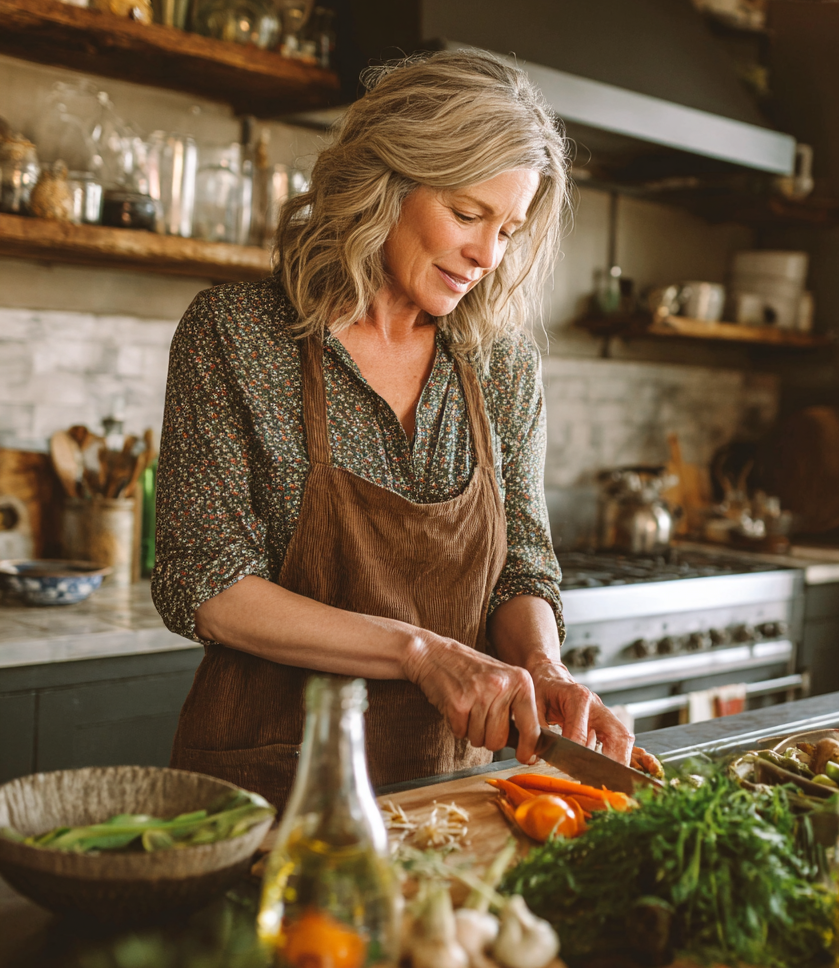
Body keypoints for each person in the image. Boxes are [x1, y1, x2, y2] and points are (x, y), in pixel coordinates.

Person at [152, 50, 632, 810]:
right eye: (468, 214)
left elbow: (522, 570)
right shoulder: (237, 335)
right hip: (273, 786)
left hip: (454, 787)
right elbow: (204, 583)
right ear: (386, 183)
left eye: (509, 229)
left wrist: (544, 667)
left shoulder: (500, 366)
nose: (486, 255)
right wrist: (419, 652)